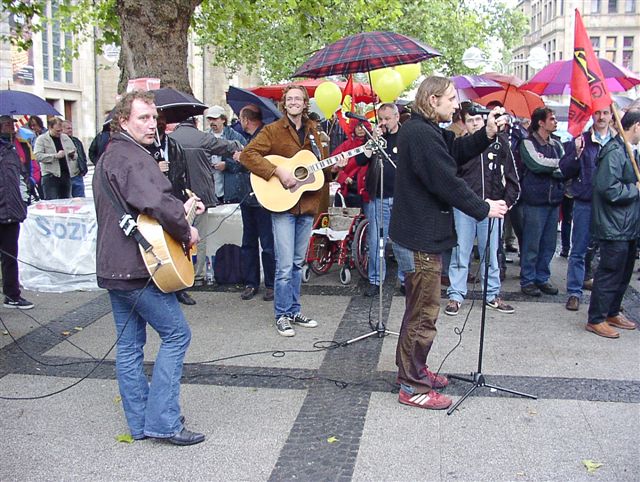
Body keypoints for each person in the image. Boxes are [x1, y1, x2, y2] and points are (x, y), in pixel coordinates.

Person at [93, 90, 205, 445]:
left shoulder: (110, 155)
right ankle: (164, 422)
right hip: (140, 268)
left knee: (129, 347)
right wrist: (186, 226)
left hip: (114, 266)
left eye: (153, 117)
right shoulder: (134, 158)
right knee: (177, 335)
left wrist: (182, 210)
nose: (151, 124)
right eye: (142, 117)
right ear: (123, 121)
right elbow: (156, 203)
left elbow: (143, 210)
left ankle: (140, 423)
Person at [390, 76, 508, 410]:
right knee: (423, 314)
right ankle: (413, 387)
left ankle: (411, 371)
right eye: (451, 98)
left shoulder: (425, 131)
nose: (457, 105)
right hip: (419, 239)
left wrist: (485, 133)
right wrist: (484, 208)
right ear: (432, 99)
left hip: (418, 235)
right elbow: (447, 182)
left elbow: (455, 151)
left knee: (418, 311)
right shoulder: (420, 134)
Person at [240, 85, 348, 337]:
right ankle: (281, 314)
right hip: (282, 204)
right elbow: (248, 155)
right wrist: (277, 171)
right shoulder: (273, 130)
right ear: (284, 104)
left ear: (305, 103)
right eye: (290, 99)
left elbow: (318, 170)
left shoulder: (314, 132)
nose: (294, 102)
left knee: (299, 263)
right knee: (285, 265)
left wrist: (337, 166)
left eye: (298, 98)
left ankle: (294, 309)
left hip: (307, 205)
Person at [445, 107, 520, 317]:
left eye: (478, 119)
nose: (475, 123)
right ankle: (456, 295)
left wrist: (506, 203)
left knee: (491, 254)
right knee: (461, 252)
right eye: (470, 120)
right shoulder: (459, 147)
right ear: (464, 123)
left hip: (492, 207)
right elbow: (450, 179)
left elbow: (513, 177)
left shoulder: (500, 144)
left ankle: (492, 294)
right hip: (464, 208)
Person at [585, 111, 640, 338]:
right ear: (636, 126)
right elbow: (607, 188)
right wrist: (633, 190)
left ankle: (612, 311)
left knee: (624, 273)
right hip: (614, 224)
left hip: (628, 225)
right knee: (609, 272)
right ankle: (596, 318)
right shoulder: (615, 152)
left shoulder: (629, 151)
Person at [169, 116, 243, 285]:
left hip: (176, 195)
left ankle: (177, 271)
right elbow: (224, 146)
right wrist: (238, 146)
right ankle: (197, 274)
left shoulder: (170, 139)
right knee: (198, 236)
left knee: (176, 236)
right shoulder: (201, 137)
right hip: (200, 195)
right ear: (195, 122)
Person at [560, 107, 615, 311]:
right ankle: (574, 292)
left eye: (605, 113)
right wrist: (575, 153)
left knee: (608, 251)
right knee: (579, 249)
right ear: (592, 115)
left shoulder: (617, 142)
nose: (601, 117)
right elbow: (564, 170)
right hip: (585, 201)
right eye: (598, 113)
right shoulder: (581, 140)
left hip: (610, 204)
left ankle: (604, 296)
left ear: (611, 115)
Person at [146, 111, 195, 306]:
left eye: (162, 122)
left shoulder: (174, 145)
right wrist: (155, 169)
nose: (159, 125)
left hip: (176, 196)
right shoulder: (145, 149)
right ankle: (161, 284)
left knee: (180, 243)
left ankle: (180, 288)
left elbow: (184, 171)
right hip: (156, 202)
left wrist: (188, 193)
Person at [356, 103, 405, 297]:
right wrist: (373, 140)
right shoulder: (376, 138)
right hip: (379, 195)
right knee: (377, 241)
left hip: (402, 197)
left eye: (387, 119)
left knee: (403, 241)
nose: (384, 123)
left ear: (397, 117)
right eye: (381, 119)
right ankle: (376, 280)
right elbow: (360, 160)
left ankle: (405, 280)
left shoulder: (406, 136)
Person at [519, 107, 565, 297]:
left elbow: (566, 166)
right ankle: (528, 280)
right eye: (552, 119)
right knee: (532, 243)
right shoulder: (527, 142)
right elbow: (536, 164)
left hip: (553, 201)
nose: (555, 122)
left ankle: (542, 278)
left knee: (548, 244)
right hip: (535, 201)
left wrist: (554, 166)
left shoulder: (556, 144)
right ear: (541, 122)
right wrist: (556, 166)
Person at [235, 104, 275, 301]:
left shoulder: (265, 138)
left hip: (263, 199)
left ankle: (270, 284)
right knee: (248, 242)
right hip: (247, 197)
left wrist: (243, 159)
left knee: (268, 244)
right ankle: (251, 282)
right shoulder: (249, 139)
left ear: (246, 120)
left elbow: (265, 165)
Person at [0, 115, 34, 310]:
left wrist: (25, 196)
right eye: (7, 123)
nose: (12, 127)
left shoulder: (13, 148)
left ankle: (12, 295)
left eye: (12, 123)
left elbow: (22, 176)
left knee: (10, 256)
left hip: (12, 211)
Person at [205, 105, 247, 204]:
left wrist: (227, 165)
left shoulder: (235, 137)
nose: (212, 122)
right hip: (211, 188)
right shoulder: (205, 136)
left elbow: (246, 160)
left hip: (230, 189)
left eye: (215, 119)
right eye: (209, 119)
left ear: (223, 119)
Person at [34, 117, 79, 200]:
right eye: (57, 131)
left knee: (66, 202)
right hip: (50, 176)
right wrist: (55, 156)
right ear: (50, 128)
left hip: (65, 175)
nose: (60, 133)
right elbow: (37, 156)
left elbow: (75, 153)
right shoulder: (42, 139)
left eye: (61, 130)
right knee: (51, 203)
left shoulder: (65, 137)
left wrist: (72, 155)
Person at [332, 119, 370, 208]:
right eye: (357, 126)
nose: (360, 129)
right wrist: (344, 177)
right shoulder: (346, 145)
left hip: (366, 190)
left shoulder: (372, 144)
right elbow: (333, 165)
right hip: (349, 189)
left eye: (363, 126)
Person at [61, 120, 89, 197]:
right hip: (65, 175)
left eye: (71, 128)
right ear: (62, 129)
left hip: (77, 174)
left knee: (80, 199)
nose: (70, 130)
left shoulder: (76, 141)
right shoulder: (59, 141)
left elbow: (82, 155)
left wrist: (83, 167)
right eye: (68, 128)